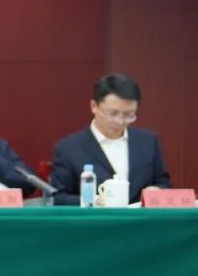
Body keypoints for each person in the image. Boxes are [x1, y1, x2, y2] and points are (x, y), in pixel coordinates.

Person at [50, 73, 171, 205]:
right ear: (94, 106)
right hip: (96, 217)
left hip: (140, 217)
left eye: (129, 115)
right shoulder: (69, 148)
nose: (120, 121)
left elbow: (163, 183)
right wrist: (94, 201)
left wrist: (157, 190)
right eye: (113, 114)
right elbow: (58, 197)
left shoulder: (148, 142)